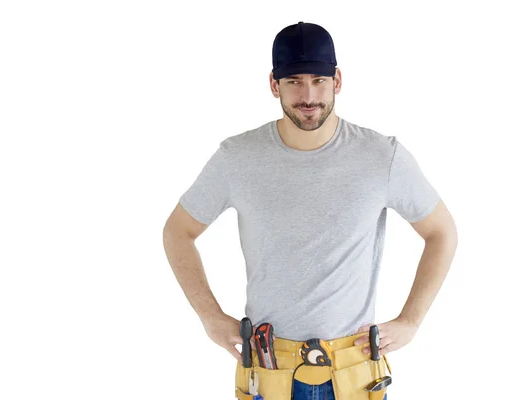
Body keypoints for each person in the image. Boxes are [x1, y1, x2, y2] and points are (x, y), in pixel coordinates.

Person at [163, 21, 457, 400]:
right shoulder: (237, 158)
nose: (308, 95)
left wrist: (411, 321)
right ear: (274, 84)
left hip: (355, 372)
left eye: (318, 80)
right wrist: (210, 316)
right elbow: (177, 231)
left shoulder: (381, 156)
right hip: (270, 374)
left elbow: (441, 232)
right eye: (294, 81)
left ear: (337, 80)